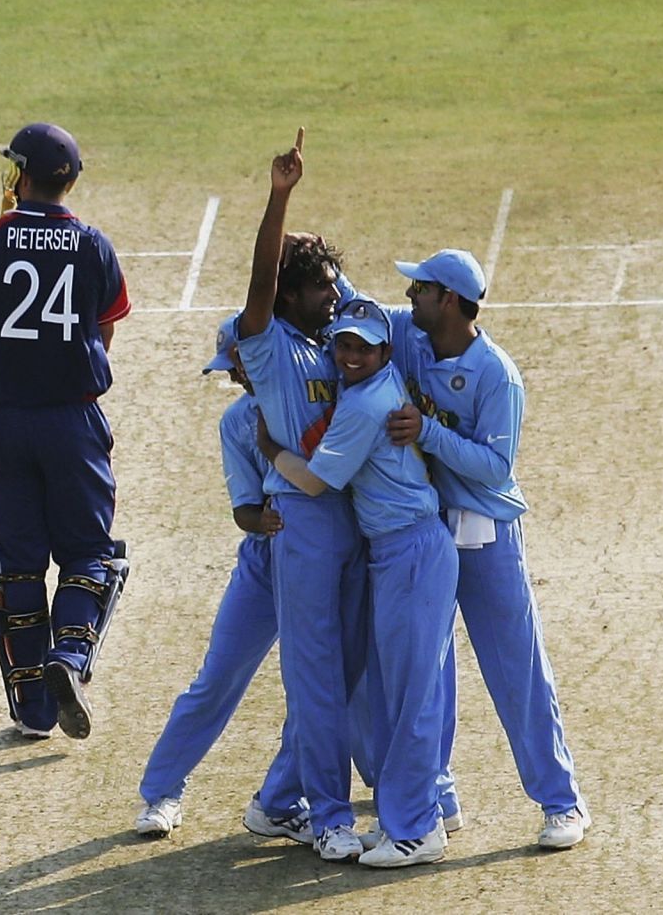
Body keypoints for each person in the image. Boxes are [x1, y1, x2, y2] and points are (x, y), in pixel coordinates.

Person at [385, 249, 590, 849]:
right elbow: (352, 304)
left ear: (448, 299)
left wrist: (427, 432)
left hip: (485, 533)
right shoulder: (412, 339)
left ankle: (563, 802)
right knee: (429, 669)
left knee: (516, 668)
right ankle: (438, 794)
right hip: (424, 528)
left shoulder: (498, 374)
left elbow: (496, 468)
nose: (410, 298)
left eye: (420, 289)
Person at [258, 296, 458, 869]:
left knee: (411, 697)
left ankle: (418, 829)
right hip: (401, 551)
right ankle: (413, 817)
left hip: (411, 551)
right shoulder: (379, 378)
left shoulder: (366, 404)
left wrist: (272, 450)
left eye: (362, 347)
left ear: (383, 352)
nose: (349, 355)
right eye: (343, 343)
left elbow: (317, 484)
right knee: (400, 694)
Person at [0, 124, 130, 739]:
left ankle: (32, 709)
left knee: (18, 560)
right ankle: (69, 660)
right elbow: (104, 333)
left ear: (20, 176)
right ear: (69, 180)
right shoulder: (95, 245)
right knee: (88, 553)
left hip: (6, 422)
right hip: (72, 421)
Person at [234, 129, 371, 861]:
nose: (333, 294)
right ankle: (328, 815)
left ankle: (278, 801)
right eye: (316, 285)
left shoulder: (331, 333)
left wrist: (309, 239)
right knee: (316, 678)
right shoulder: (265, 340)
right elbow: (262, 282)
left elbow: (346, 290)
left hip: (349, 519)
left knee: (343, 675)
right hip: (302, 521)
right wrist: (279, 197)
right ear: (287, 294)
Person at [133, 316, 308, 841]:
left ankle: (383, 787)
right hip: (264, 563)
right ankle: (162, 792)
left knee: (343, 685)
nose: (232, 377)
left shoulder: (311, 394)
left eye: (234, 364)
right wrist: (267, 521)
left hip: (323, 564)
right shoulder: (236, 423)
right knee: (219, 677)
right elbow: (245, 511)